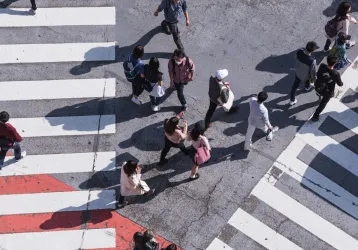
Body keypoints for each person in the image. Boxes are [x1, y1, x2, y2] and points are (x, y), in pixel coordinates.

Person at [312, 55, 343, 122]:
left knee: (321, 94)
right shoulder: (336, 73)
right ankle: (315, 116)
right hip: (328, 91)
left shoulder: (322, 65)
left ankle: (319, 94)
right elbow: (340, 84)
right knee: (323, 103)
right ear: (335, 63)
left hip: (318, 85)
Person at [289, 41, 319, 106]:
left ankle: (292, 100)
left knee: (295, 86)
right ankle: (307, 87)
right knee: (307, 80)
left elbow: (295, 58)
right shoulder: (312, 60)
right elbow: (312, 72)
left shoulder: (299, 52)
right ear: (313, 50)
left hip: (298, 72)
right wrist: (314, 79)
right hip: (305, 76)